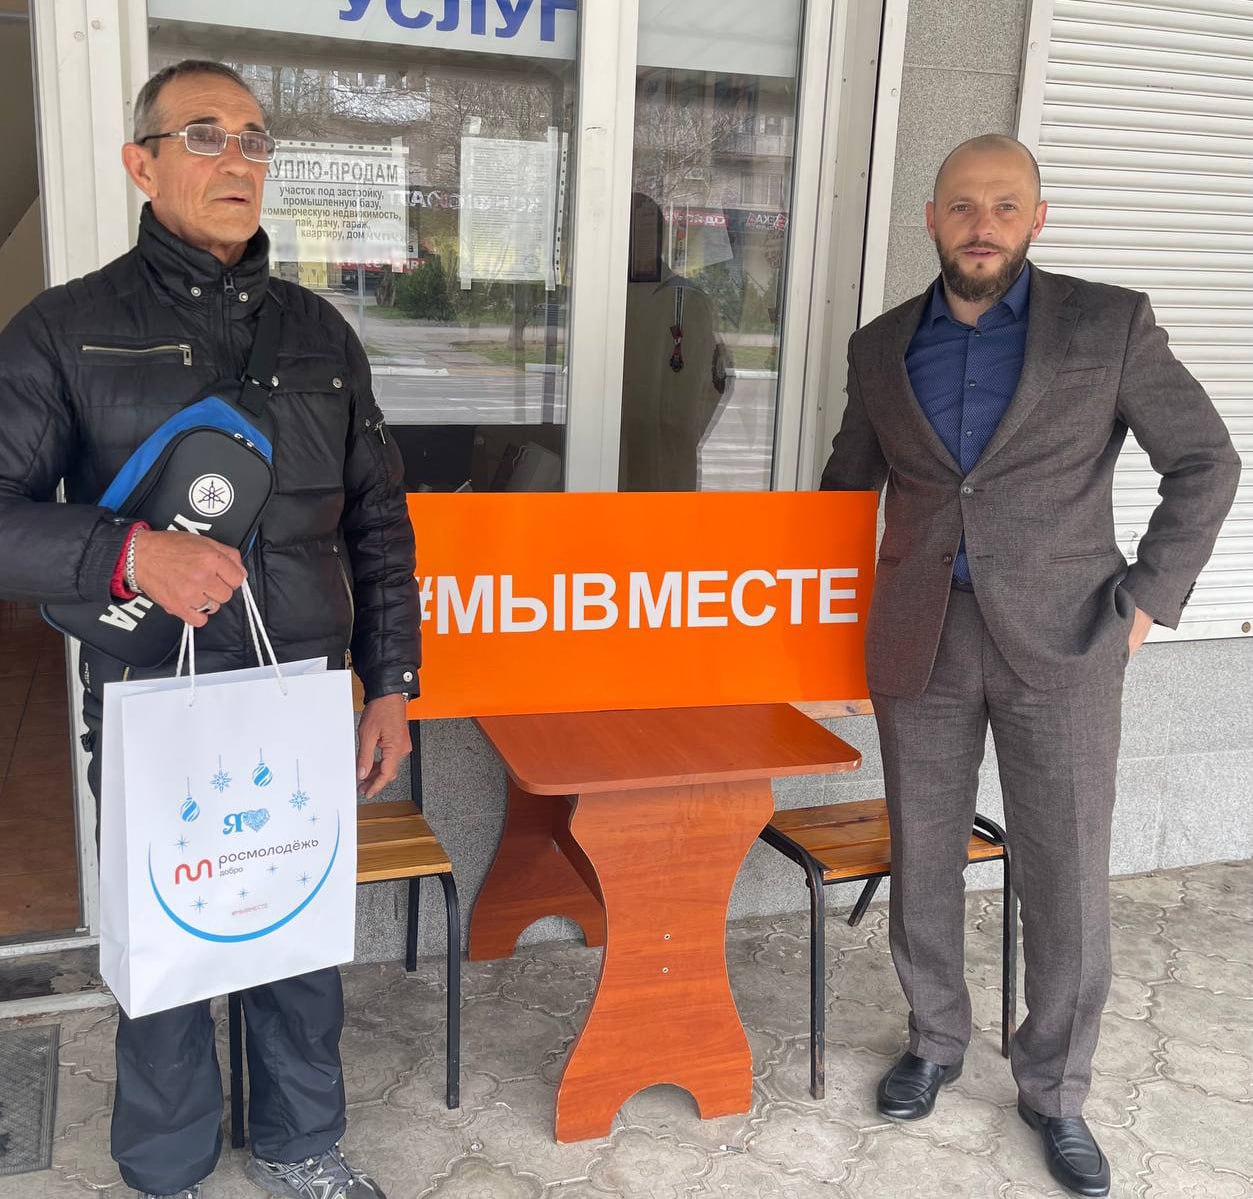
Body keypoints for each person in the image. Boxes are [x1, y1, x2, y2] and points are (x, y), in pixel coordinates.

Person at [0, 60, 419, 1199]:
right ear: (140, 164)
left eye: (253, 138)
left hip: (298, 689)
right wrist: (130, 553)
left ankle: (300, 1143)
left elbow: (378, 518)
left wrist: (390, 682)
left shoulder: (321, 332)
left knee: (295, 929)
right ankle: (168, 1167)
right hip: (153, 693)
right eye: (202, 134)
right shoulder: (66, 328)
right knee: (168, 935)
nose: (236, 158)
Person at [820, 134, 1240, 1196]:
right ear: (930, 218)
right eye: (962, 205)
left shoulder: (1107, 324)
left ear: (1035, 218)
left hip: (1066, 639)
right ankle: (933, 1038)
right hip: (919, 637)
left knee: (1063, 868)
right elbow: (840, 495)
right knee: (922, 850)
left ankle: (1053, 1087)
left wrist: (1146, 599)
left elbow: (1204, 460)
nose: (982, 224)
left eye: (1004, 204)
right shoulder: (879, 346)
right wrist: (817, 627)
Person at [619, 192, 731, 490]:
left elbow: (711, 386)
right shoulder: (608, 299)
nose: (634, 242)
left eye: (643, 232)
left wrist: (677, 437)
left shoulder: (686, 301)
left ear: (659, 238)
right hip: (614, 455)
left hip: (665, 461)